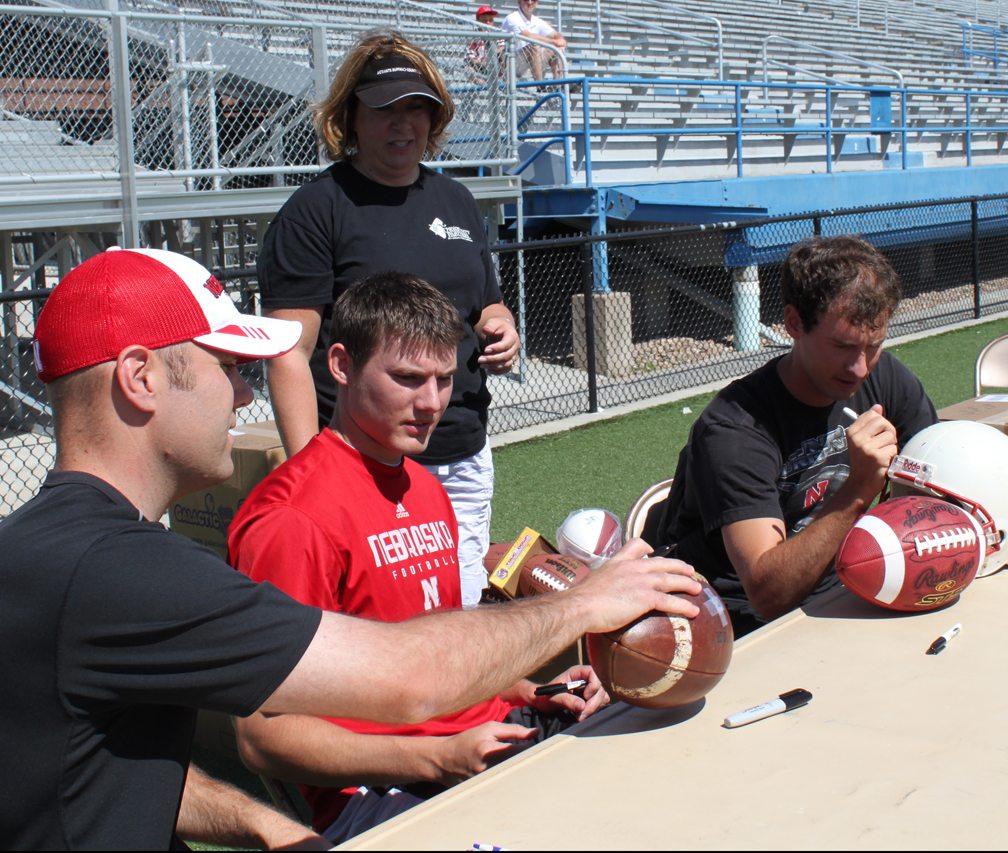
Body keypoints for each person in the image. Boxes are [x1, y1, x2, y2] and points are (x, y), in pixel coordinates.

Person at [0, 246, 701, 849]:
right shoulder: (128, 569)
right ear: (139, 376)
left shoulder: (50, 551)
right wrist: (582, 602)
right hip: (395, 791)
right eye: (226, 365)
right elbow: (402, 678)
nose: (245, 396)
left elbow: (115, 763)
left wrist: (263, 824)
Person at [228, 272, 609, 844]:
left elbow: (440, 655)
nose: (431, 403)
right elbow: (264, 737)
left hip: (480, 737)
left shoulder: (424, 486)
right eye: (407, 379)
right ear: (340, 365)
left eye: (444, 380)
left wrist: (526, 689)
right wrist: (433, 759)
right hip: (385, 787)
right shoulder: (292, 518)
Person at [257, 29, 519, 609]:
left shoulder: (455, 200)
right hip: (364, 463)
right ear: (350, 117)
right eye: (385, 111)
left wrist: (503, 326)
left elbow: (486, 303)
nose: (404, 125)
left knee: (459, 612)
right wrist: (313, 476)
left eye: (417, 109)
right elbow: (287, 354)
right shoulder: (316, 210)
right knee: (367, 624)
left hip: (462, 451)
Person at [653, 235, 938, 638]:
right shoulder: (735, 430)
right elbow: (767, 593)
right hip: (741, 627)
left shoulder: (884, 375)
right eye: (842, 346)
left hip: (849, 587)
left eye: (873, 346)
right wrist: (858, 490)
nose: (860, 368)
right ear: (793, 324)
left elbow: (943, 480)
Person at [501, 0, 567, 80]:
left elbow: (555, 34)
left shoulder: (536, 20)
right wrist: (554, 42)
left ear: (537, 2)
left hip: (530, 61)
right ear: (519, 1)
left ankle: (560, 83)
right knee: (533, 46)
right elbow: (527, 35)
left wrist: (561, 41)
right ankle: (540, 86)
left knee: (557, 49)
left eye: (533, 0)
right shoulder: (512, 18)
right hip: (512, 62)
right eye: (526, 0)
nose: (530, 2)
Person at [466, 5, 505, 82]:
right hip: (479, 67)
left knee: (504, 56)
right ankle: (484, 84)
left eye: (490, 20)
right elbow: (471, 56)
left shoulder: (498, 34)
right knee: (467, 68)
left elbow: (502, 48)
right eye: (484, 20)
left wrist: (490, 57)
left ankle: (501, 81)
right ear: (478, 21)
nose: (487, 22)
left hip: (495, 64)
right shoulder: (473, 36)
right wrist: (481, 61)